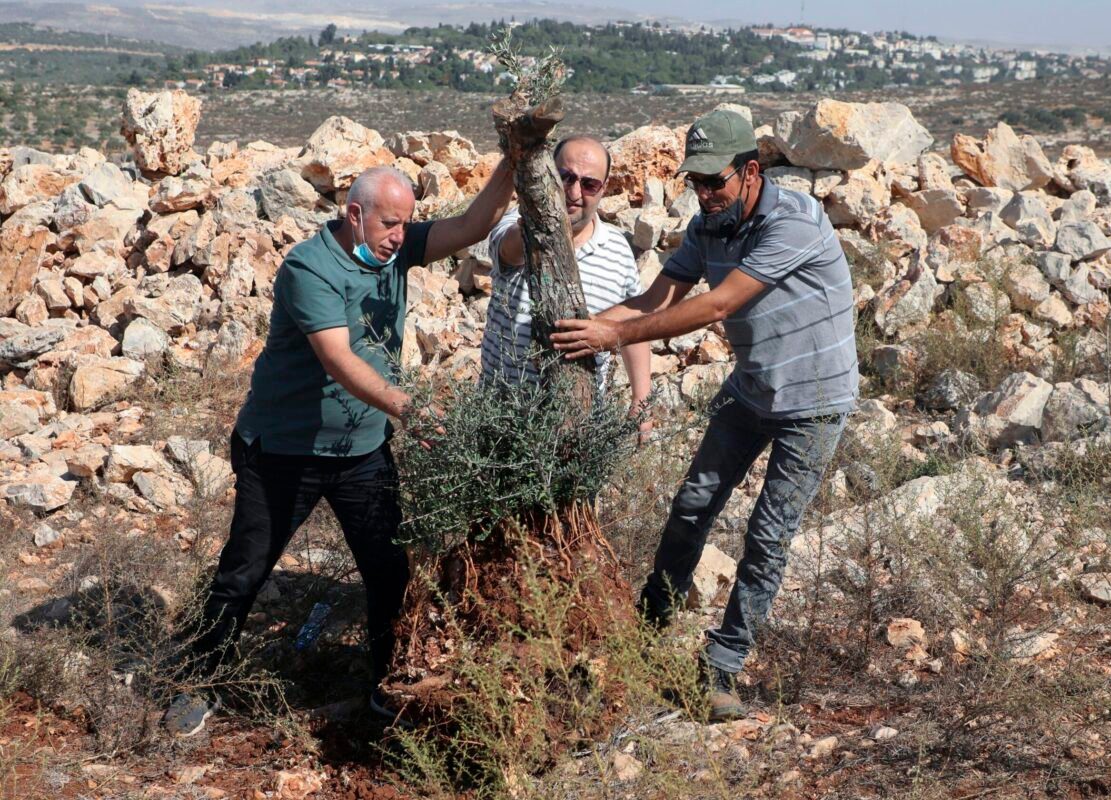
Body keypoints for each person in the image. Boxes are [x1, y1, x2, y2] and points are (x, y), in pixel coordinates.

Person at [165, 161, 514, 736]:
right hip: (283, 451)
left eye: (406, 224)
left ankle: (385, 687)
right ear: (355, 215)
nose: (401, 236)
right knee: (243, 572)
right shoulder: (309, 268)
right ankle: (199, 682)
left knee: (389, 572)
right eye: (390, 223)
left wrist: (514, 157)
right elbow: (340, 359)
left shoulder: (396, 250)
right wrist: (411, 407)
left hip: (361, 453)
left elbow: (476, 223)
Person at [550, 110, 858, 722]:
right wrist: (589, 325)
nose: (704, 193)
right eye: (694, 182)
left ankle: (723, 666)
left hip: (814, 402)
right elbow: (657, 297)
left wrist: (617, 336)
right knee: (692, 504)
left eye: (714, 180)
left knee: (768, 536)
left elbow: (716, 304)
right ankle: (646, 631)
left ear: (749, 171)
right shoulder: (707, 225)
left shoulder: (794, 221)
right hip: (750, 390)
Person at [482, 135, 651, 436]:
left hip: (579, 432)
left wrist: (641, 399)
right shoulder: (515, 227)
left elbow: (634, 323)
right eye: (566, 177)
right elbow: (508, 250)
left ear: (604, 188)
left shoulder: (617, 250)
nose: (574, 192)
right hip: (500, 422)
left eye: (589, 184)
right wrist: (538, 224)